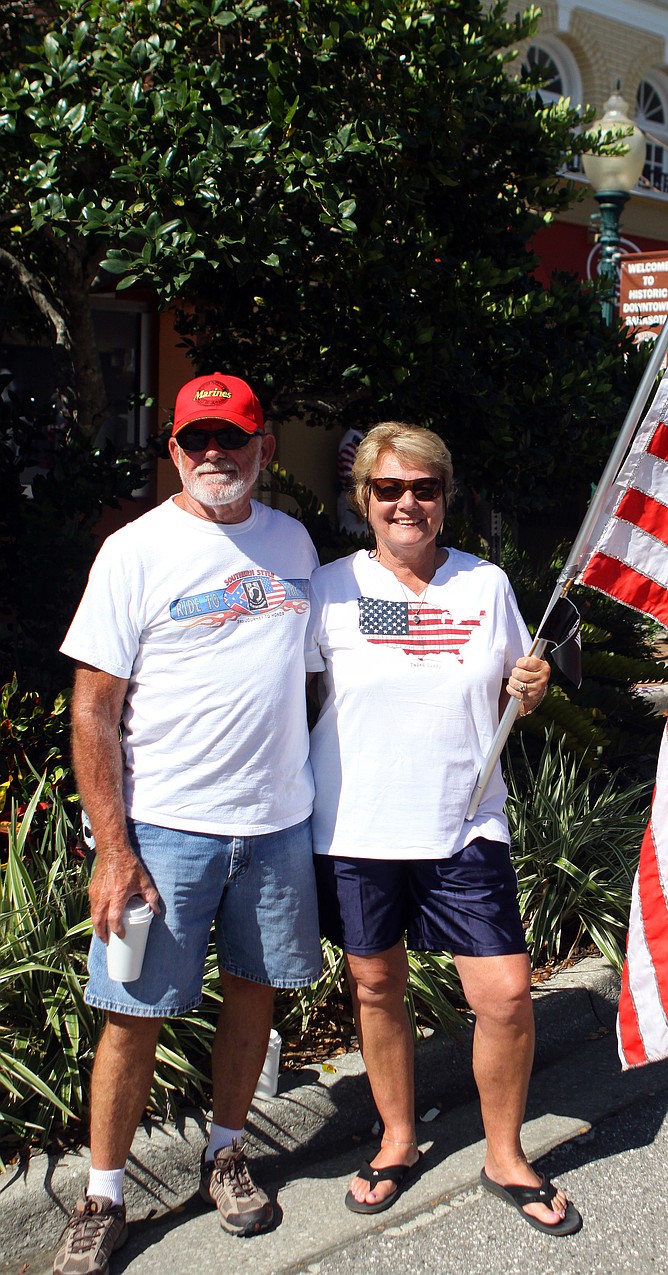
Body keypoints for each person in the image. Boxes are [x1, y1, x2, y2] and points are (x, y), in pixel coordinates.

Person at [53, 373, 323, 1275]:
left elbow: (325, 669)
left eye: (234, 438)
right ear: (173, 448)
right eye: (198, 439)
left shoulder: (293, 542)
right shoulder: (135, 550)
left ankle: (227, 1149)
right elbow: (92, 709)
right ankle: (104, 1193)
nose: (217, 454)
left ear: (263, 448)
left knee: (254, 987)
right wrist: (113, 847)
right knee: (134, 1014)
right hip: (165, 829)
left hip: (278, 825)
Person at [306, 422, 581, 1237]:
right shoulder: (329, 586)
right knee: (377, 985)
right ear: (364, 500)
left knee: (503, 994)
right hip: (356, 825)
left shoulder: (486, 584)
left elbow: (511, 690)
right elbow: (290, 698)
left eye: (423, 488)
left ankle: (505, 1153)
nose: (406, 503)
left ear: (445, 498)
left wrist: (528, 688)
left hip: (464, 824)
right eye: (389, 489)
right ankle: (396, 1139)